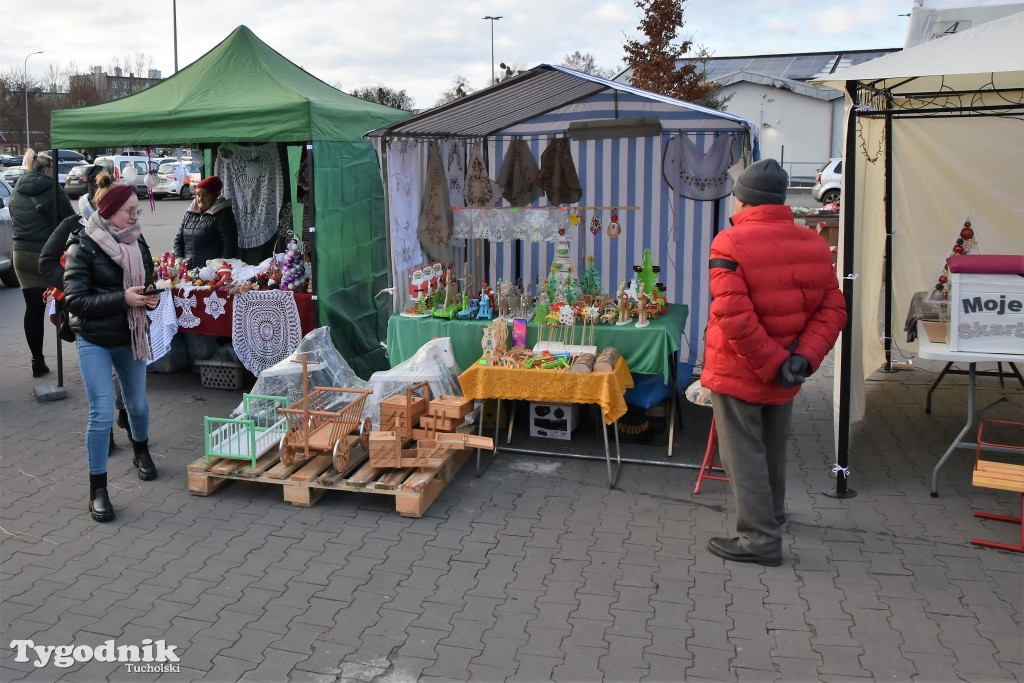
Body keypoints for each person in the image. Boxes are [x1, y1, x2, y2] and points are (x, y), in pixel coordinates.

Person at [702, 158, 847, 567]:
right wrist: (800, 359)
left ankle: (759, 540)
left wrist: (773, 363)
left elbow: (734, 318)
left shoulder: (730, 243)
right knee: (772, 449)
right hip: (786, 369)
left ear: (742, 198)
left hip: (742, 368)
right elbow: (833, 308)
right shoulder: (813, 244)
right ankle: (773, 519)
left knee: (743, 454)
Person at [63, 182, 162, 522]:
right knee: (102, 414)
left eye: (138, 210)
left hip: (130, 334)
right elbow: (75, 301)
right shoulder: (83, 245)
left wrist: (150, 297)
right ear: (108, 212)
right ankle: (98, 490)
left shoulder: (137, 239)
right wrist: (123, 299)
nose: (136, 218)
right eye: (130, 212)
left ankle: (141, 451)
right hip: (94, 338)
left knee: (137, 404)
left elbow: (147, 279)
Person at [40, 170, 133, 449]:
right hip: (89, 316)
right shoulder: (73, 225)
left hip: (121, 314)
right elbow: (46, 262)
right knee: (101, 378)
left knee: (122, 375)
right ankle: (107, 431)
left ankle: (125, 416)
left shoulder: (127, 228)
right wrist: (75, 287)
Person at [8, 150, 76, 377]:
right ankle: (81, 343)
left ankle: (37, 362)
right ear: (47, 169)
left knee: (33, 309)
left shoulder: (15, 190)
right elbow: (71, 220)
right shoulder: (52, 188)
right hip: (48, 255)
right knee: (72, 297)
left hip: (21, 255)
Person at [173, 175, 239, 268]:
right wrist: (179, 259)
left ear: (214, 196)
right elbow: (179, 240)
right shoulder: (190, 213)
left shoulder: (222, 214)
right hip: (188, 270)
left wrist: (220, 268)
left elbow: (229, 245)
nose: (200, 199)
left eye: (205, 195)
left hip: (210, 272)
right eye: (198, 195)